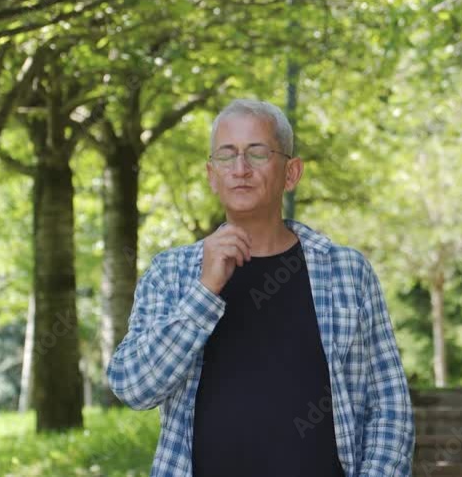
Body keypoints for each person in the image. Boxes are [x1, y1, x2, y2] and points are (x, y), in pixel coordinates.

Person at [107, 99, 415, 477]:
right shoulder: (171, 273)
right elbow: (134, 387)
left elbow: (389, 405)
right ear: (211, 175)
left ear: (291, 173)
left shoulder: (347, 272)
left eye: (258, 153)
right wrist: (204, 292)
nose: (241, 169)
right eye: (227, 155)